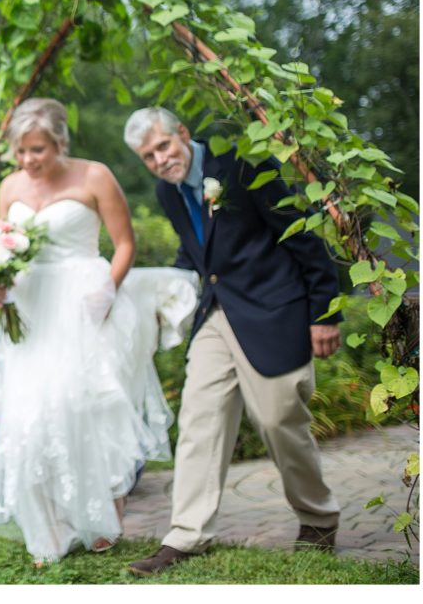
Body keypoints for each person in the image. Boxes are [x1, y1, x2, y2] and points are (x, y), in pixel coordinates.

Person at [122, 107, 343, 577]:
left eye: (163, 146)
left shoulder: (241, 163)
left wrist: (324, 312)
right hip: (216, 314)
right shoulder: (168, 191)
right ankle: (186, 534)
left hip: (274, 307)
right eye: (148, 156)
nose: (160, 160)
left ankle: (318, 518)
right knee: (199, 418)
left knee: (279, 418)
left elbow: (301, 233)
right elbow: (197, 251)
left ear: (182, 133)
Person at [0, 98, 200, 564]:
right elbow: (4, 248)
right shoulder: (10, 186)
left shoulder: (95, 175)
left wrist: (106, 289)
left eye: (37, 150)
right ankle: (49, 528)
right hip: (32, 311)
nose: (28, 161)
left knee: (88, 406)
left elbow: (124, 244)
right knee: (32, 413)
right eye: (21, 152)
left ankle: (103, 516)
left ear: (60, 142)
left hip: (86, 303)